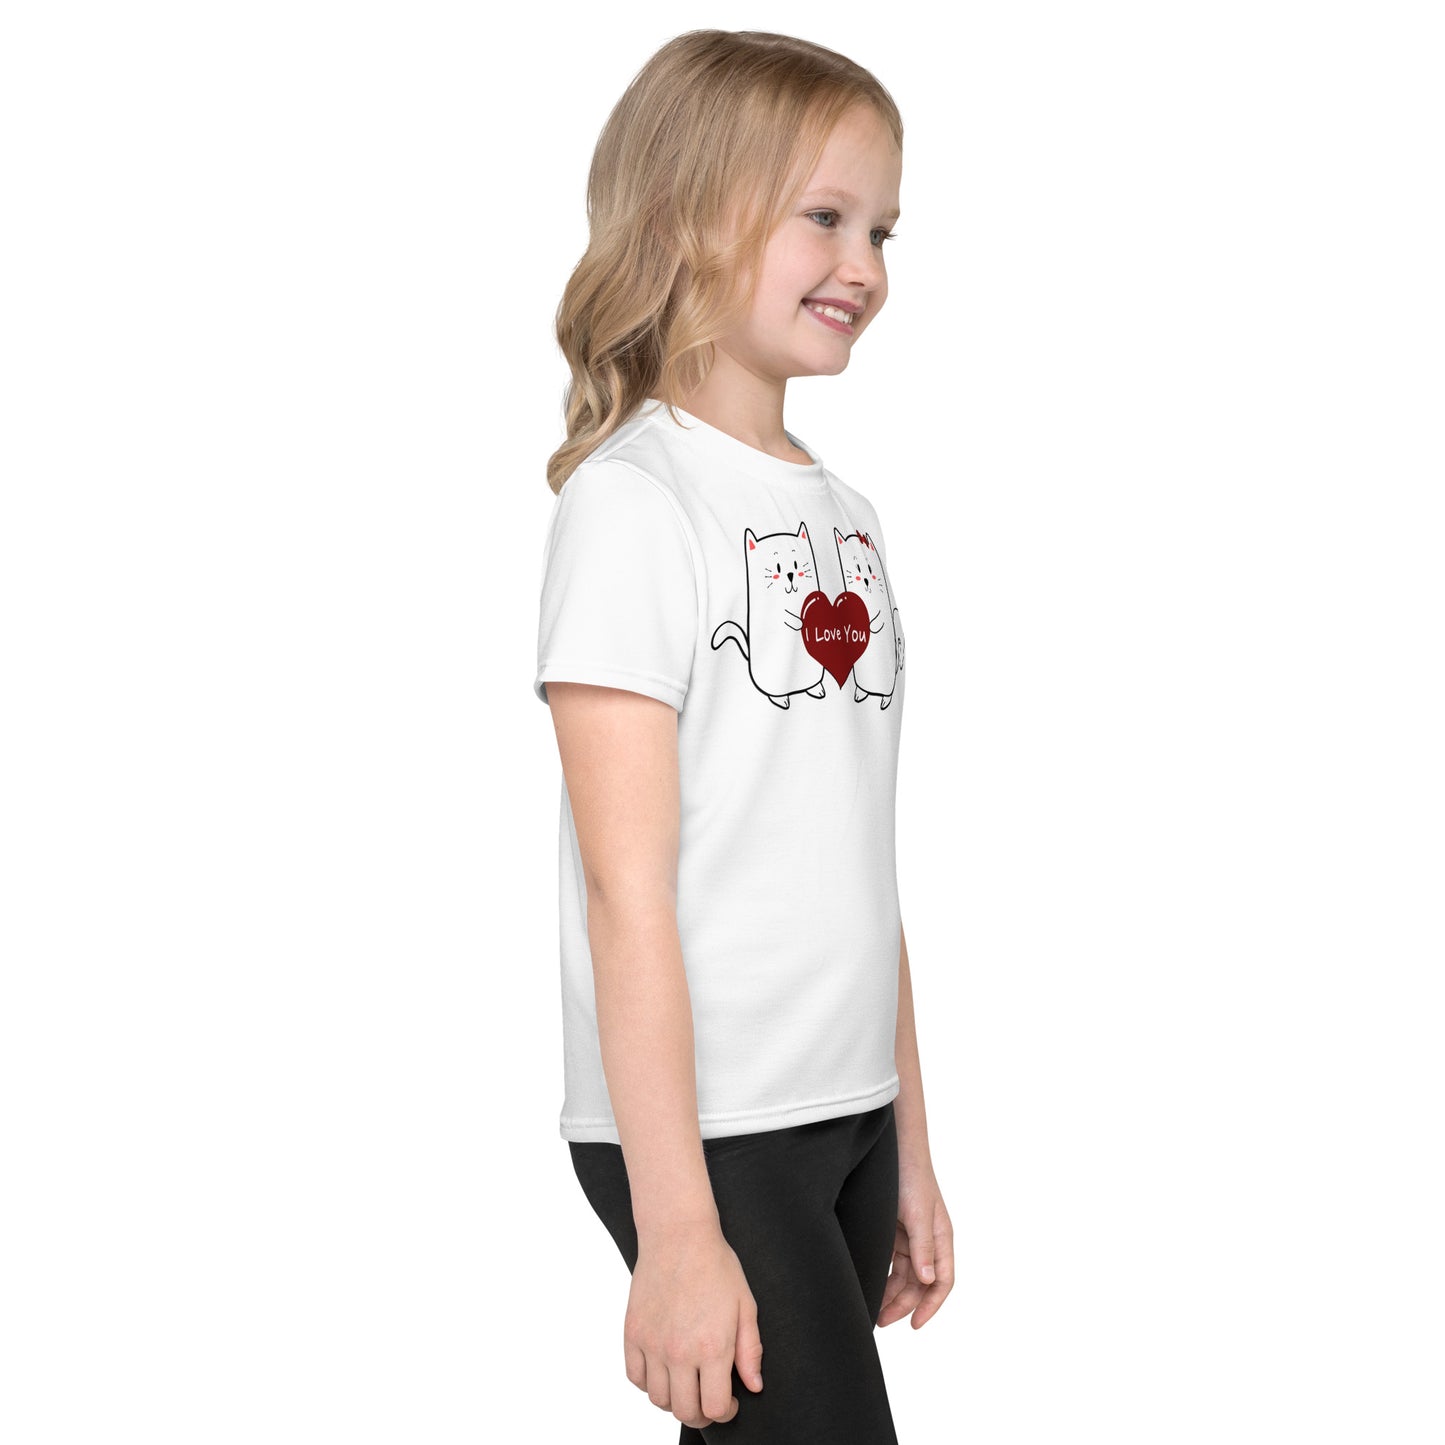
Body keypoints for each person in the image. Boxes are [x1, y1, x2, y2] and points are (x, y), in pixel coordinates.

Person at [531, 29, 952, 1442]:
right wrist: (675, 1228)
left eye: (881, 229)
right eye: (824, 216)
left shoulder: (849, 517)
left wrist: (908, 1145)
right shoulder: (634, 505)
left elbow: (856, 857)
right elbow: (624, 892)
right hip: (711, 1135)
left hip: (845, 1109)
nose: (864, 266)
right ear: (687, 216)